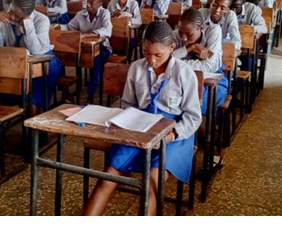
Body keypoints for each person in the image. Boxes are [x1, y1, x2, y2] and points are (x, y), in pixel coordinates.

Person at [83, 21, 202, 216]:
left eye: (158, 55)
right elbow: (128, 103)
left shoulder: (184, 73)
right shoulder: (137, 68)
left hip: (174, 132)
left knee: (152, 184)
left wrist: (171, 135)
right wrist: (131, 121)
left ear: (172, 48)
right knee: (107, 178)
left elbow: (193, 117)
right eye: (146, 53)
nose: (152, 60)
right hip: (140, 126)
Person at [0, 0, 61, 111]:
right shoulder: (6, 19)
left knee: (32, 98)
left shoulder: (41, 20)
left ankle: (36, 120)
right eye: (11, 11)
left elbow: (36, 51)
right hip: (17, 62)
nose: (11, 16)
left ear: (27, 15)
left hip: (44, 62)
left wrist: (28, 24)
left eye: (16, 16)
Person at [173, 9, 228, 114]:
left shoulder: (213, 31)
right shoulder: (176, 34)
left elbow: (208, 66)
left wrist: (178, 64)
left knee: (196, 102)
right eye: (181, 32)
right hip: (183, 78)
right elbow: (166, 60)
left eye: (189, 35)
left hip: (213, 79)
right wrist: (189, 47)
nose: (183, 38)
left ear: (201, 28)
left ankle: (202, 127)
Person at [67, 0, 112, 104]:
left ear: (99, 4)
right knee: (64, 54)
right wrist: (57, 28)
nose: (88, 5)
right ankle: (67, 91)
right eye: (88, 1)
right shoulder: (81, 14)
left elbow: (107, 30)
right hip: (85, 48)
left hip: (103, 48)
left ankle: (91, 94)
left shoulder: (104, 13)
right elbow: (69, 27)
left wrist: (85, 35)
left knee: (95, 59)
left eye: (92, 3)